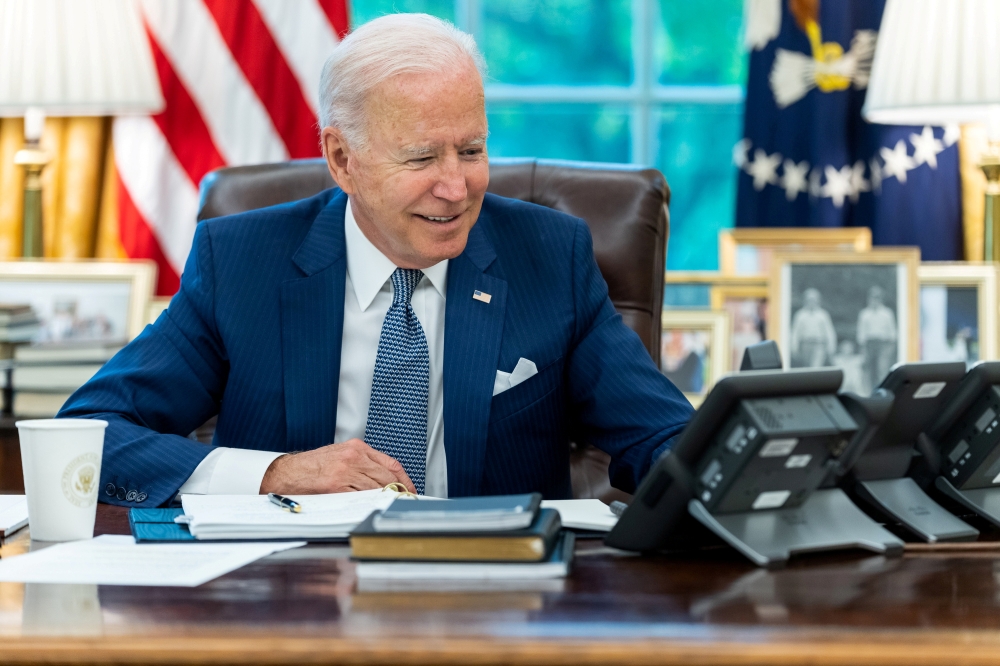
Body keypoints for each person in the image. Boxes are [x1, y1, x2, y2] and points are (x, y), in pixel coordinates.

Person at [58, 14, 693, 507]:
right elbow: (87, 436)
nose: (456, 186)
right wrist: (274, 474)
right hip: (289, 598)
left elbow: (661, 437)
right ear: (342, 160)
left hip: (496, 602)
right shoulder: (243, 262)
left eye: (470, 150)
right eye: (420, 159)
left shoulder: (550, 257)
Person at [857, 286, 897, 390]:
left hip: (883, 343)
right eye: (872, 297)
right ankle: (869, 391)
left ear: (881, 299)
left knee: (882, 369)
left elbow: (892, 331)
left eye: (877, 298)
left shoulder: (887, 313)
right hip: (869, 343)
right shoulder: (864, 314)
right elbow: (861, 332)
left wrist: (890, 347)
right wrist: (862, 348)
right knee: (869, 369)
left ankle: (882, 390)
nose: (874, 300)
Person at [789, 288, 837, 368]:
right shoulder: (800, 315)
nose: (811, 302)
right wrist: (794, 347)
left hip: (819, 344)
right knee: (807, 368)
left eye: (814, 300)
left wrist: (831, 347)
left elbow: (829, 332)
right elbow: (795, 332)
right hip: (805, 345)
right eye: (809, 300)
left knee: (816, 367)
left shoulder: (823, 315)